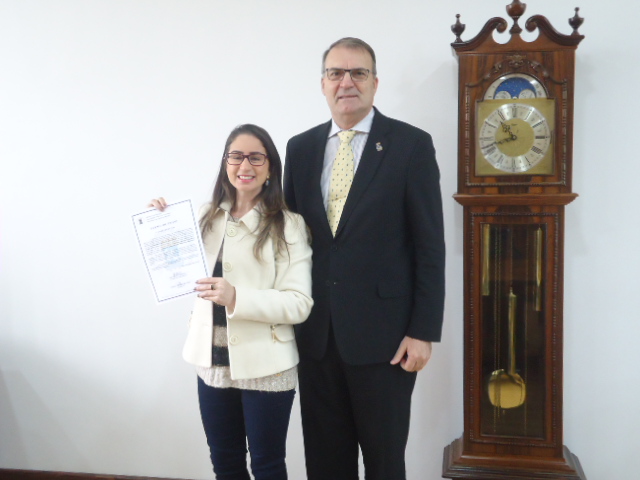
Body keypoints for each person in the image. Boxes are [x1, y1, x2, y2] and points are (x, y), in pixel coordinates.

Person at [283, 37, 446, 480]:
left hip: (386, 342)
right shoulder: (300, 149)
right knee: (325, 464)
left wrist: (422, 331)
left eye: (358, 73)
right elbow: (286, 237)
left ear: (375, 82)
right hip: (316, 337)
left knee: (384, 462)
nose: (347, 82)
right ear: (323, 83)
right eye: (336, 73)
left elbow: (429, 246)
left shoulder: (410, 145)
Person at [149, 124, 313, 480]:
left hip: (268, 367)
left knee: (268, 466)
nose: (245, 165)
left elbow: (299, 303)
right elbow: (174, 270)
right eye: (236, 156)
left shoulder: (289, 225)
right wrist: (160, 223)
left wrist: (237, 297)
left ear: (270, 168)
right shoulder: (205, 217)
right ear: (225, 163)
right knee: (225, 463)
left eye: (256, 157)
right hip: (213, 364)